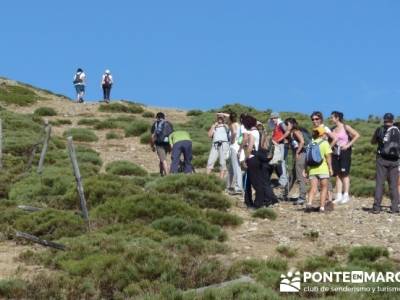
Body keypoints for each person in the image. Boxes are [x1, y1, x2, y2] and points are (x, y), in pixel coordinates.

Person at [243, 115, 277, 208]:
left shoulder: (251, 134)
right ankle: (258, 202)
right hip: (257, 158)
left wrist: (245, 159)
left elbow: (249, 147)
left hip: (252, 159)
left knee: (256, 183)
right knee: (258, 182)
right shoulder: (257, 132)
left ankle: (258, 203)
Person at [370, 113, 400, 214]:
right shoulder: (397, 130)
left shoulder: (380, 129)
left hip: (382, 159)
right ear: (392, 119)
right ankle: (394, 207)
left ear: (384, 119)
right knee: (394, 184)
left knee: (380, 183)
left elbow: (372, 142)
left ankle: (377, 207)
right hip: (395, 160)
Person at [330, 111, 360, 205]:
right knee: (338, 174)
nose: (331, 119)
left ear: (337, 118)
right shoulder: (333, 129)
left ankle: (346, 195)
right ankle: (338, 195)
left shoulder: (346, 127)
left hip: (345, 152)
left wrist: (348, 145)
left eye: (332, 117)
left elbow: (357, 135)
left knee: (345, 173)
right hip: (335, 153)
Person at [310, 111, 337, 202]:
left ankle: (329, 199)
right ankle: (326, 199)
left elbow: (335, 138)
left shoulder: (324, 128)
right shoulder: (315, 129)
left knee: (325, 178)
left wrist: (328, 147)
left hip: (324, 156)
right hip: (317, 156)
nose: (314, 121)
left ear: (321, 119)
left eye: (316, 119)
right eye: (313, 119)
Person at [304, 127, 333, 213]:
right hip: (323, 169)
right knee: (324, 188)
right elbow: (328, 157)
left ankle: (309, 204)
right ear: (322, 134)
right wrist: (330, 168)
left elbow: (306, 159)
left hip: (312, 169)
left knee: (313, 188)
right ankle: (322, 207)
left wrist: (305, 169)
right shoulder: (325, 143)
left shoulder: (310, 144)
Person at [285, 118, 308, 205]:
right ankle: (285, 193)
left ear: (291, 124)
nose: (286, 126)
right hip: (299, 156)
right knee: (292, 175)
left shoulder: (295, 132)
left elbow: (302, 142)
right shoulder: (292, 133)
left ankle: (302, 197)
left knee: (300, 176)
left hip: (301, 155)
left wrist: (297, 152)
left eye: (287, 124)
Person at [269, 112, 290, 198]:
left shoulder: (281, 124)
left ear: (278, 117)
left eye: (274, 118)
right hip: (277, 145)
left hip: (281, 145)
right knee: (278, 163)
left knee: (281, 162)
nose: (273, 119)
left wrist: (279, 139)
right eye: (272, 118)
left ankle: (283, 180)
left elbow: (287, 132)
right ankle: (283, 180)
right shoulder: (276, 125)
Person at [206, 114, 230, 179]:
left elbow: (229, 116)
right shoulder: (214, 126)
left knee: (223, 162)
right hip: (215, 145)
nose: (220, 119)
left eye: (221, 118)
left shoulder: (226, 126)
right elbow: (209, 135)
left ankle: (220, 180)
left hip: (224, 144)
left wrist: (223, 114)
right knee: (210, 161)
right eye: (219, 118)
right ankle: (206, 179)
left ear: (223, 119)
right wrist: (213, 126)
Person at [226, 112, 243, 194]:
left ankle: (238, 187)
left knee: (236, 167)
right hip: (238, 146)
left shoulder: (232, 125)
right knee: (232, 167)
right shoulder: (239, 124)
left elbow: (234, 133)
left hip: (234, 147)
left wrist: (232, 141)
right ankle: (229, 186)